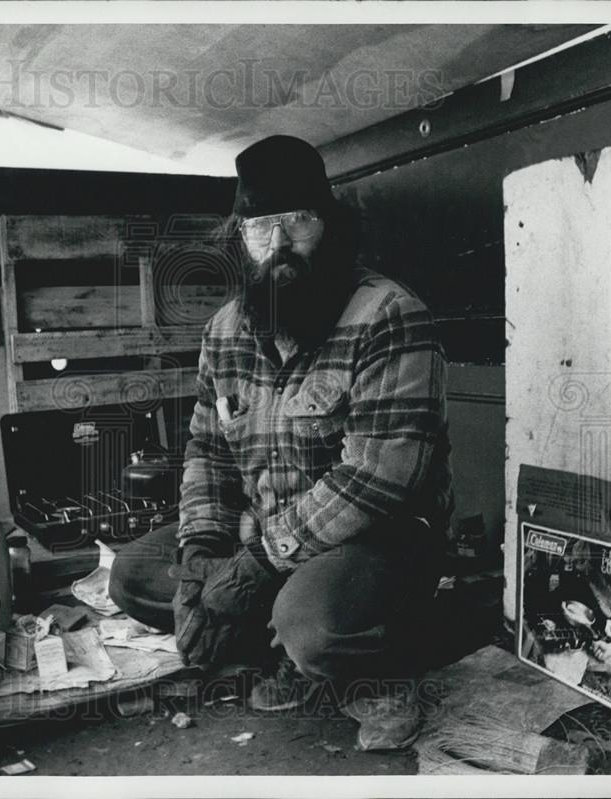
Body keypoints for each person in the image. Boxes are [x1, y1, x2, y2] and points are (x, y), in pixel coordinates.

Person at [109, 135, 453, 750]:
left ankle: (369, 664)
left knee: (312, 626)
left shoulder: (390, 314)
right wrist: (201, 562)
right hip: (263, 538)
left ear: (330, 225)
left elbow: (377, 479)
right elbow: (208, 454)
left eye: (298, 221)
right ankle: (268, 630)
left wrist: (251, 568)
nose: (279, 246)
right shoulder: (224, 329)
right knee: (134, 576)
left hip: (375, 543)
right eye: (260, 228)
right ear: (241, 239)